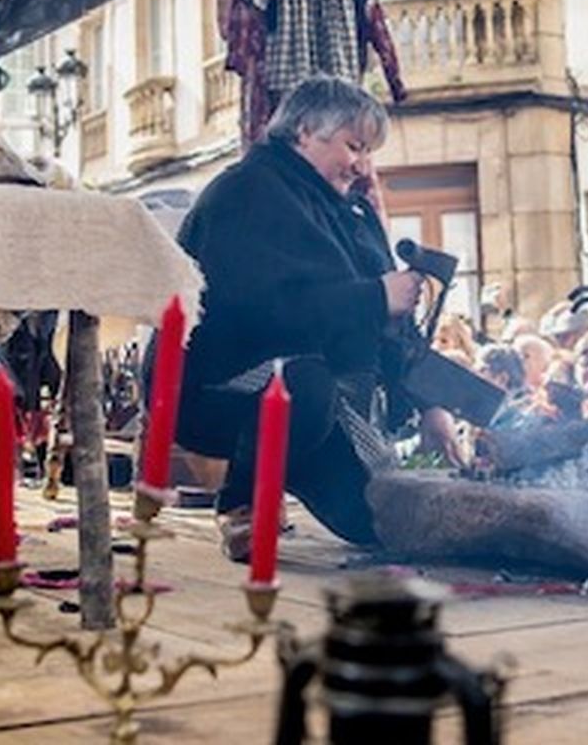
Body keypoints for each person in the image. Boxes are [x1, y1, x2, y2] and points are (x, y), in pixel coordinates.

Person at [173, 78, 446, 562]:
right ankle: (244, 501)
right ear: (304, 131)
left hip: (325, 398)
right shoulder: (243, 193)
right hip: (229, 387)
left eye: (368, 151)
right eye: (353, 146)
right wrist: (375, 298)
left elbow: (388, 329)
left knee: (381, 521)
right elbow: (261, 315)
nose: (362, 165)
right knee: (302, 381)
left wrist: (430, 406)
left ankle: (284, 467)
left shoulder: (352, 214)